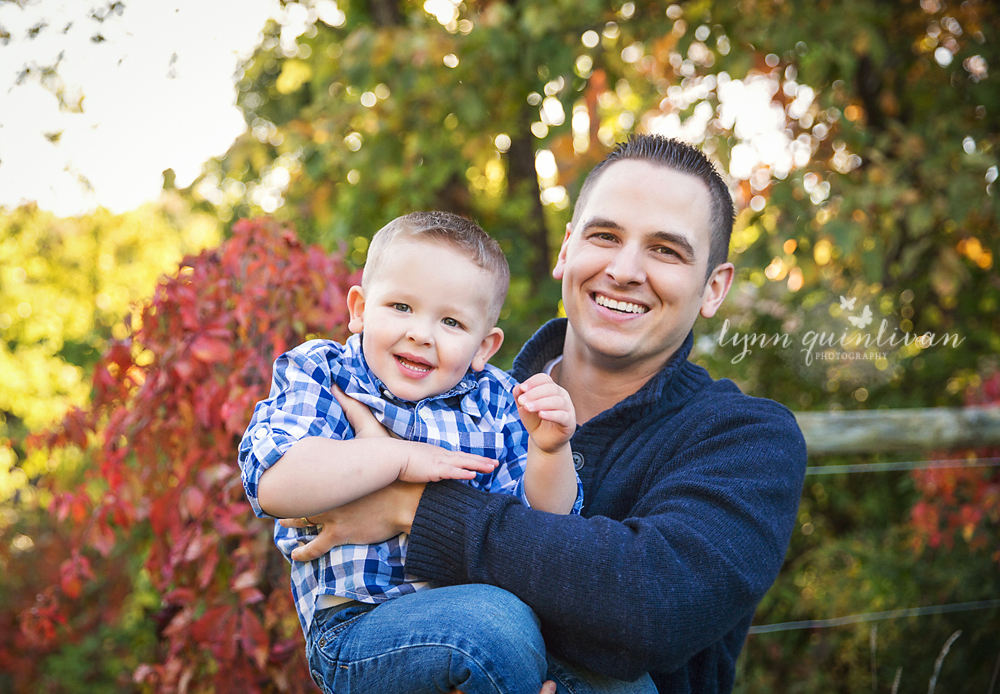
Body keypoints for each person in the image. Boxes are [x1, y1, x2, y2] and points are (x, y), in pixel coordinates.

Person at [282, 134, 808, 694]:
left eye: (666, 250)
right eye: (605, 236)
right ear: (566, 251)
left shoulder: (749, 439)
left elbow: (651, 608)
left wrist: (413, 508)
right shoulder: (450, 397)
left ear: (713, 287)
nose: (625, 270)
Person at [238, 212, 590, 694]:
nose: (422, 333)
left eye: (450, 321)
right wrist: (398, 458)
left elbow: (545, 527)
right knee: (495, 626)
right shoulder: (326, 373)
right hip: (359, 627)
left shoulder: (496, 400)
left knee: (622, 683)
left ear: (483, 346)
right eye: (401, 307)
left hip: (486, 618)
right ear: (360, 309)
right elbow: (275, 482)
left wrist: (551, 450)